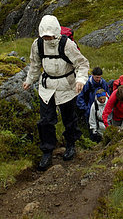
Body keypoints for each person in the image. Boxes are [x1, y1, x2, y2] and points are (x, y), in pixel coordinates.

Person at [22, 15, 90, 171]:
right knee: (46, 120)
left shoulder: (67, 45)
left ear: (55, 32)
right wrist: (29, 80)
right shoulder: (38, 44)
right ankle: (47, 151)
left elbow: (82, 64)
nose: (47, 38)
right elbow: (35, 64)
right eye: (44, 35)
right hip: (47, 87)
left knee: (69, 119)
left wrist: (80, 80)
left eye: (49, 35)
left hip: (67, 87)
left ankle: (71, 145)